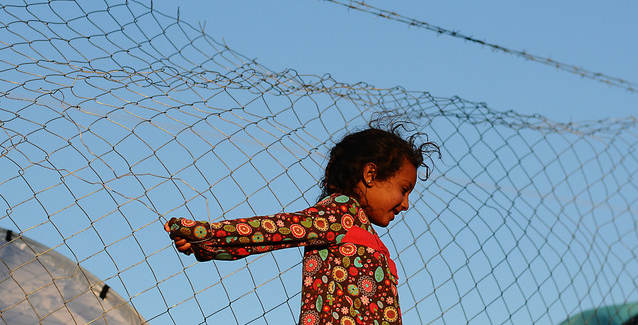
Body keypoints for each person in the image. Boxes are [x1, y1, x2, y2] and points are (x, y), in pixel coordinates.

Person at [165, 121, 438, 325]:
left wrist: (207, 244)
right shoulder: (341, 214)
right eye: (404, 189)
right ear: (370, 174)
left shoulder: (364, 233)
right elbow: (274, 230)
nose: (406, 203)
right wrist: (206, 237)